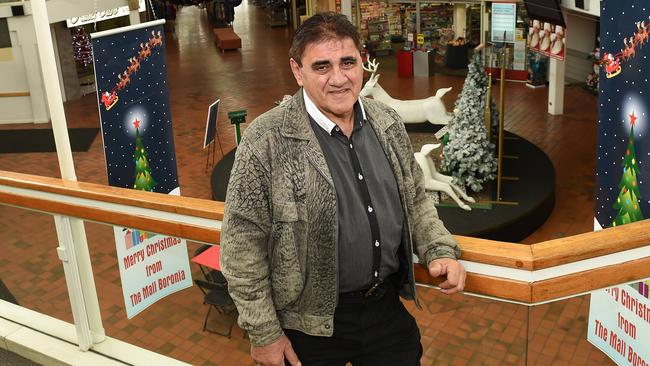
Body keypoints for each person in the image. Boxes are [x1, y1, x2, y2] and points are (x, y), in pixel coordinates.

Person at [220, 12, 466, 366]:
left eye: (348, 62)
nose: (339, 78)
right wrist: (264, 333)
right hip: (307, 329)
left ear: (361, 62)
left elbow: (415, 200)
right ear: (297, 71)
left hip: (384, 311)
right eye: (322, 66)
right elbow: (241, 247)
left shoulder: (387, 123)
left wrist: (438, 248)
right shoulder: (266, 141)